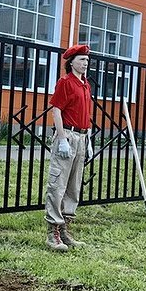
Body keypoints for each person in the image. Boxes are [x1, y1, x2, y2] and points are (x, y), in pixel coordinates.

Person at [44, 44, 93, 251]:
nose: (85, 63)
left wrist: (88, 140)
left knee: (73, 186)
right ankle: (52, 233)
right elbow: (56, 111)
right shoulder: (65, 82)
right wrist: (62, 139)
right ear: (71, 62)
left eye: (87, 60)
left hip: (81, 137)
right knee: (58, 184)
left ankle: (65, 230)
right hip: (68, 136)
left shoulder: (85, 85)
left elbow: (87, 114)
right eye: (82, 60)